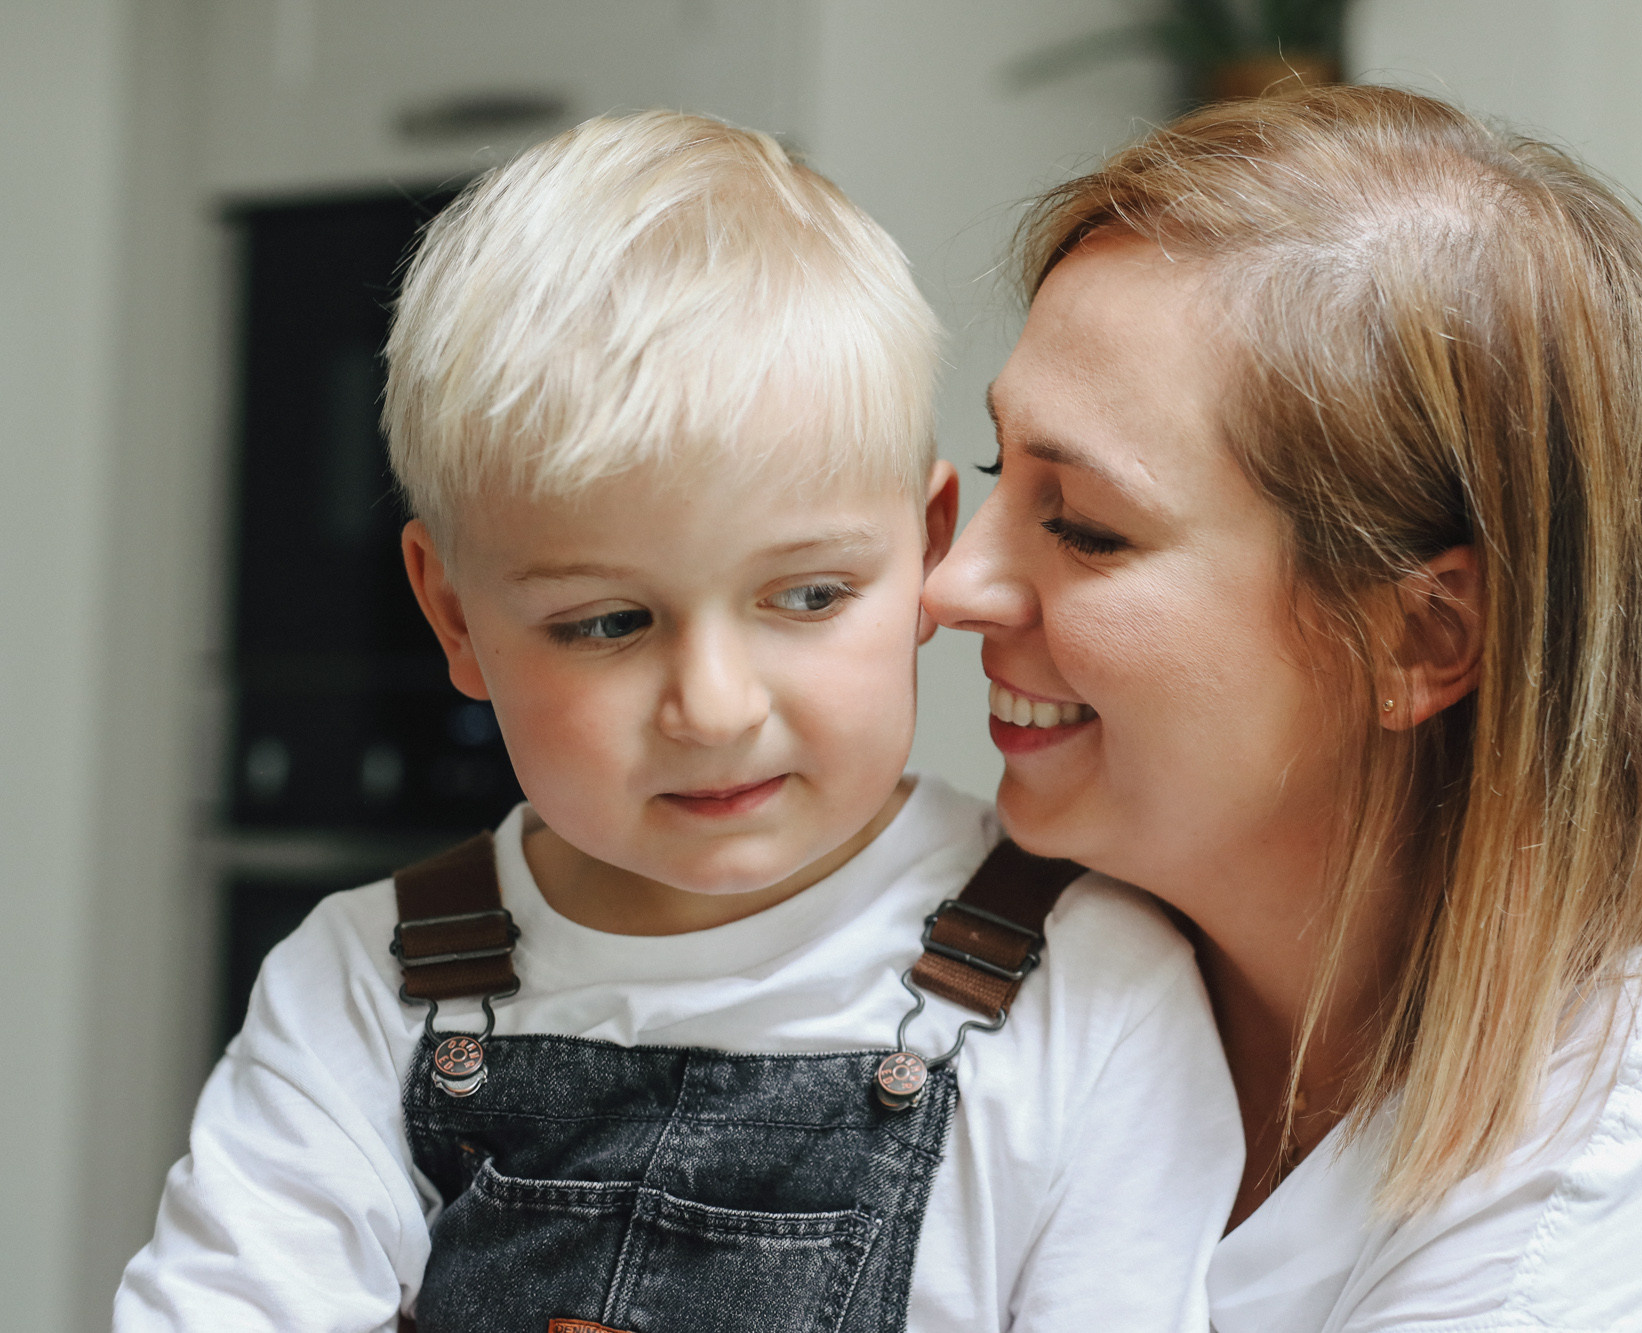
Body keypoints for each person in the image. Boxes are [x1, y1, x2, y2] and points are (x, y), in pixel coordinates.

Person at [115, 111, 1240, 1333]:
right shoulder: (361, 989)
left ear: (922, 549)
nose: (713, 710)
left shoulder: (1092, 992)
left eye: (806, 596)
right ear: (453, 614)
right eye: (606, 623)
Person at [924, 85, 1642, 1331]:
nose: (947, 586)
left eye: (1087, 528)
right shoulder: (1011, 948)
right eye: (1001, 468)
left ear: (1421, 638)